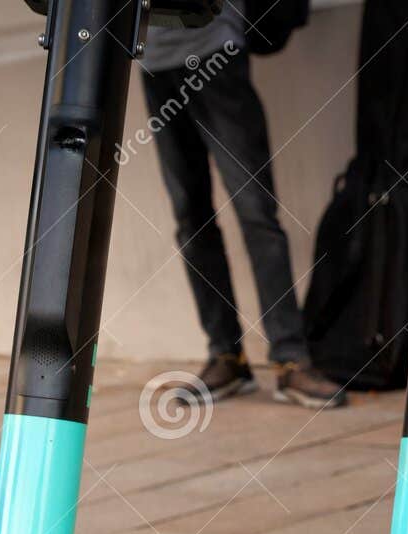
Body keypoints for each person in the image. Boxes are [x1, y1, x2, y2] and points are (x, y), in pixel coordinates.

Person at [140, 5, 343, 409]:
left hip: (216, 50)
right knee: (190, 216)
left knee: (255, 210)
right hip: (153, 61)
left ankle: (291, 359)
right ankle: (225, 356)